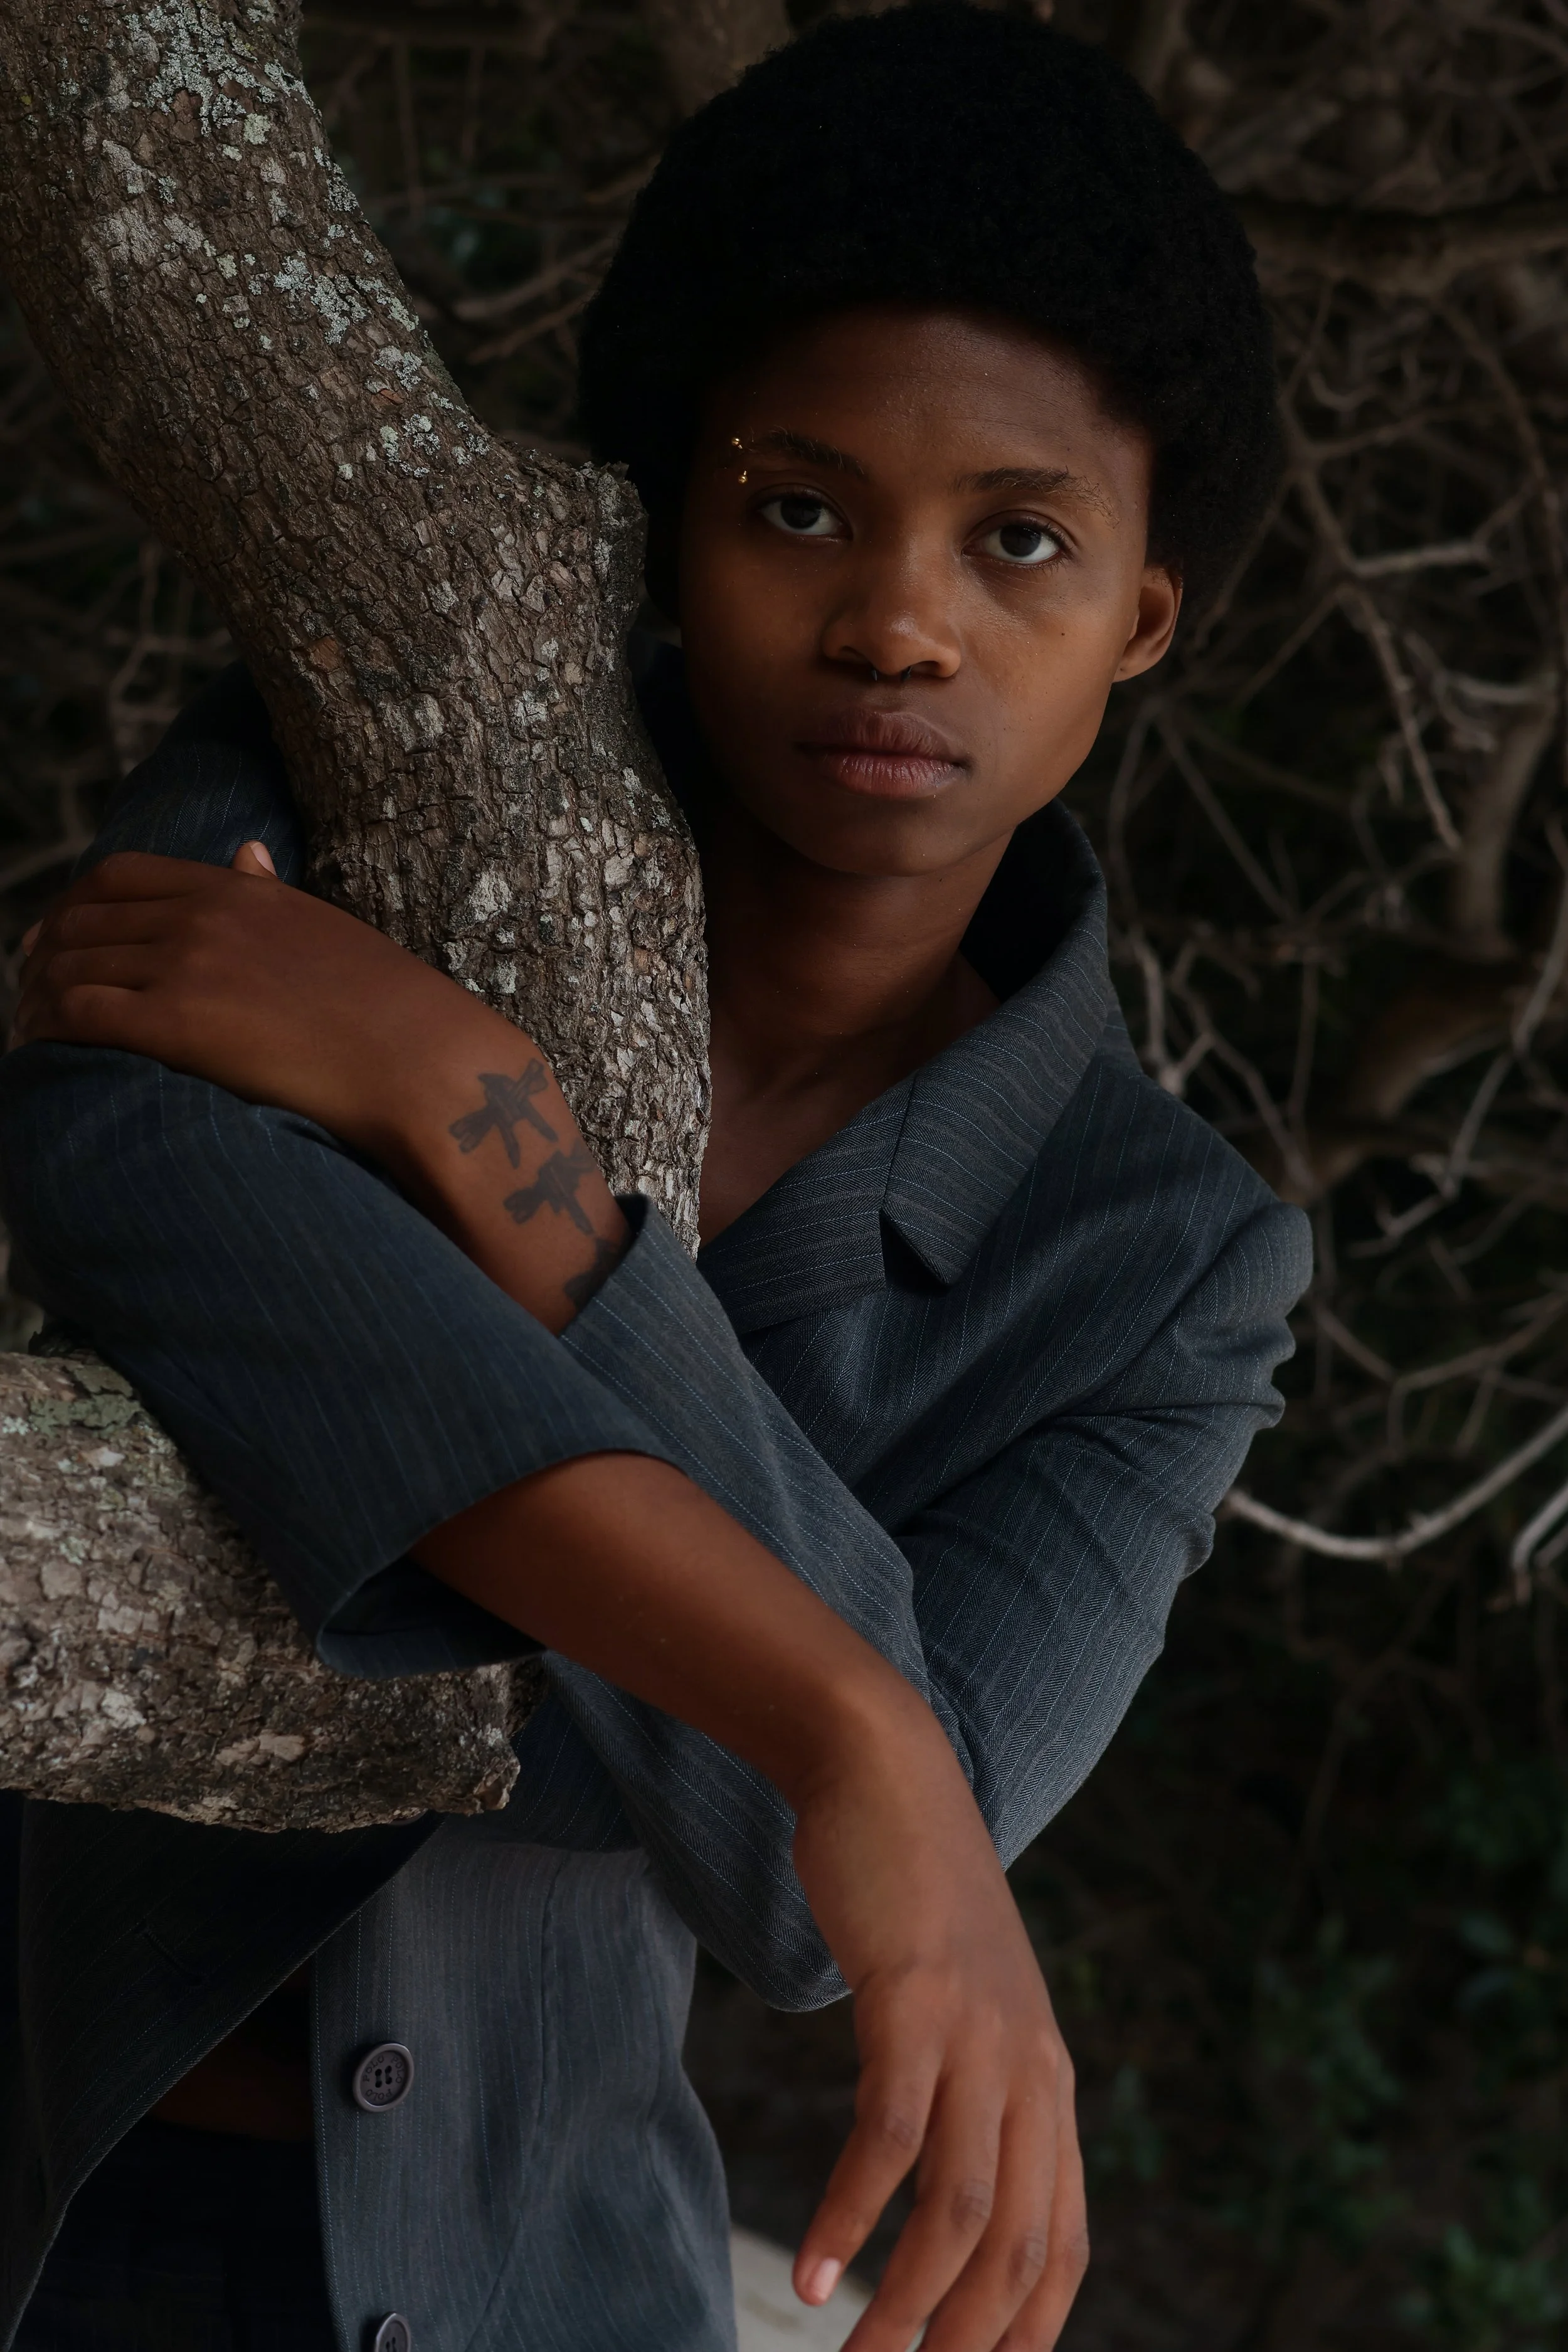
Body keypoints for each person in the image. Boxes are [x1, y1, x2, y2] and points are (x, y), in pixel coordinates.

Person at [0, 8, 1311, 2350]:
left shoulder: (1161, 1263)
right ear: (666, 517)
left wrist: (468, 1114)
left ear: (1140, 615)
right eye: (796, 505)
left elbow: (822, 1903)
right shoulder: (384, 759)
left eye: (1018, 541)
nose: (899, 618)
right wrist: (839, 1696)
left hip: (522, 2286)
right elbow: (120, 1150)